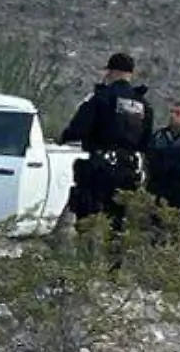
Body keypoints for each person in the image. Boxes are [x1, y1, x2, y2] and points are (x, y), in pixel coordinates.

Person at [58, 51, 153, 231]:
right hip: (128, 170)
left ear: (111, 72)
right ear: (130, 74)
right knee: (117, 224)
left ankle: (85, 255)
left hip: (100, 167)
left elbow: (76, 129)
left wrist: (65, 138)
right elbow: (146, 143)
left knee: (87, 218)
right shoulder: (144, 105)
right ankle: (114, 257)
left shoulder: (101, 97)